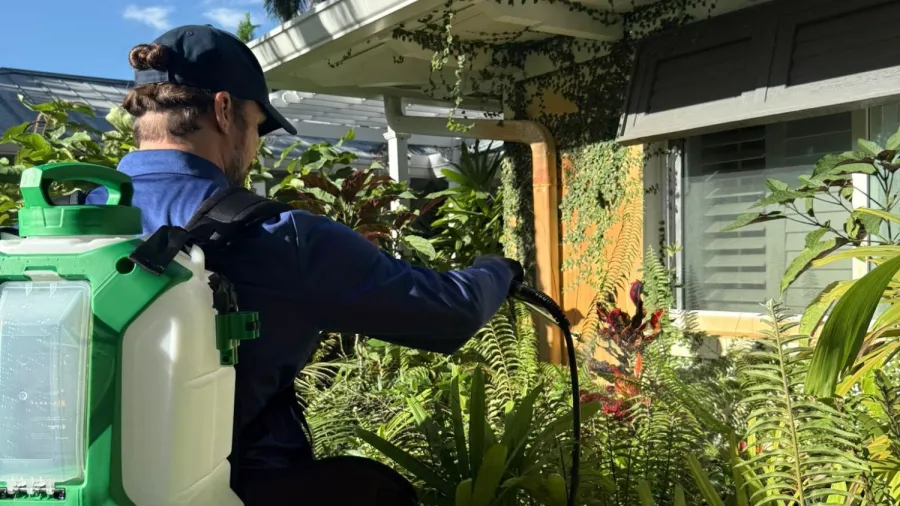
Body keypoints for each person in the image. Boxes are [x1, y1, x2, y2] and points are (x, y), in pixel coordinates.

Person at [87, 25, 523, 504]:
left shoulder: (65, 227)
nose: (254, 148)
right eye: (257, 126)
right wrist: (498, 270)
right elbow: (449, 311)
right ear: (224, 109)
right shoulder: (280, 238)